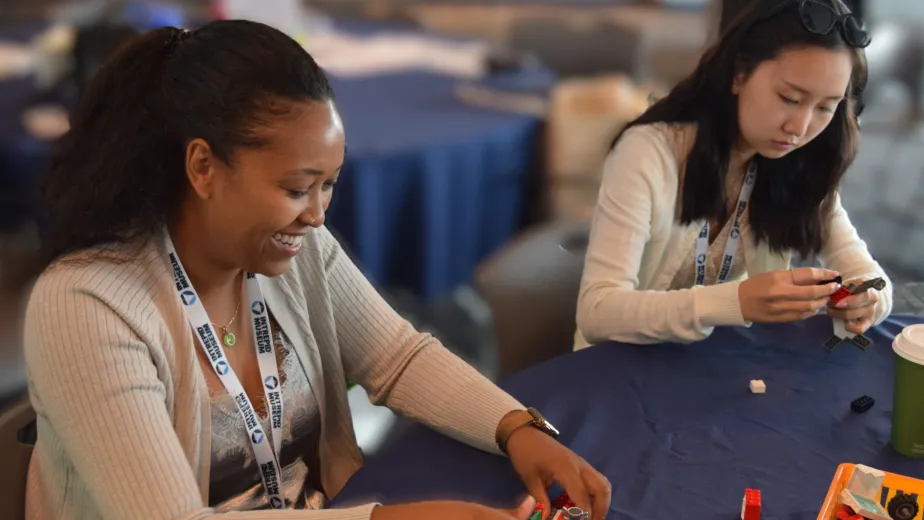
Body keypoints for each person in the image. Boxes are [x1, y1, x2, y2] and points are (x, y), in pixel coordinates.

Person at [24, 21, 611, 520]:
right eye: (296, 188)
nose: (316, 214)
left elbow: (397, 357)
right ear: (203, 166)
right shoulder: (87, 305)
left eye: (328, 185)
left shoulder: (290, 250)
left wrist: (516, 427)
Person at [575, 0, 892, 349]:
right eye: (789, 98)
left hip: (717, 366)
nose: (799, 128)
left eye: (825, 107)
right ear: (739, 74)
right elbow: (597, 313)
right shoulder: (649, 152)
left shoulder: (798, 162)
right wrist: (735, 302)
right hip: (619, 369)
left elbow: (868, 274)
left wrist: (867, 299)